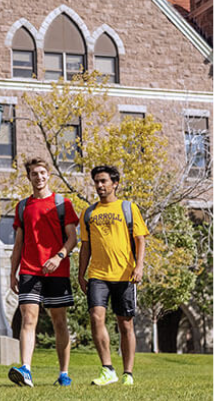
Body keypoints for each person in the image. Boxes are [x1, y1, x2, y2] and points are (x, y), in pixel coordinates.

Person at [8, 158, 78, 387]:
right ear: (29, 177)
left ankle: (64, 373)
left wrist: (58, 257)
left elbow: (72, 239)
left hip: (56, 271)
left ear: (48, 175)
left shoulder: (62, 204)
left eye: (41, 173)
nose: (38, 177)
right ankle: (26, 369)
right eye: (33, 174)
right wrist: (12, 272)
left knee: (59, 321)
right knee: (28, 319)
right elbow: (18, 243)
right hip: (29, 270)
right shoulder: (22, 206)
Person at [78, 165, 148, 386]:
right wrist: (81, 274)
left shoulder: (128, 208)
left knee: (125, 324)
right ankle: (107, 369)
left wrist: (139, 267)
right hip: (98, 274)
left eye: (104, 181)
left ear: (115, 183)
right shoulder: (89, 213)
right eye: (97, 182)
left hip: (125, 274)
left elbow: (140, 240)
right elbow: (85, 247)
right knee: (96, 317)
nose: (99, 185)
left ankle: (128, 373)